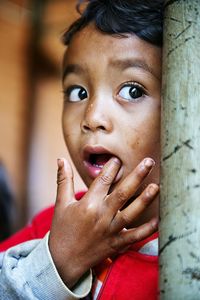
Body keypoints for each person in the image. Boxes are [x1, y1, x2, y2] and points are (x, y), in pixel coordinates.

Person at [0, 0, 163, 299]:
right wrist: (58, 260)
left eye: (132, 90)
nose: (92, 118)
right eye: (78, 92)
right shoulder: (55, 226)